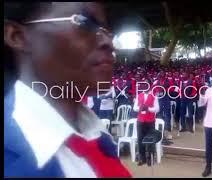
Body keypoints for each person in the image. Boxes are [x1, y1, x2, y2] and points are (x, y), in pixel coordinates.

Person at [4, 2, 131, 177]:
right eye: (85, 22)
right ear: (18, 36)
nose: (108, 42)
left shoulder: (98, 136)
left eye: (106, 30)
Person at [133, 79, 160, 166]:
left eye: (146, 84)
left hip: (150, 121)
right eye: (143, 84)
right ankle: (142, 158)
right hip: (140, 121)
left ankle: (150, 158)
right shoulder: (139, 95)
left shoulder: (154, 96)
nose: (144, 86)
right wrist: (140, 108)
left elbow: (157, 109)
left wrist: (148, 109)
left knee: (150, 140)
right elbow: (135, 108)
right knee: (140, 139)